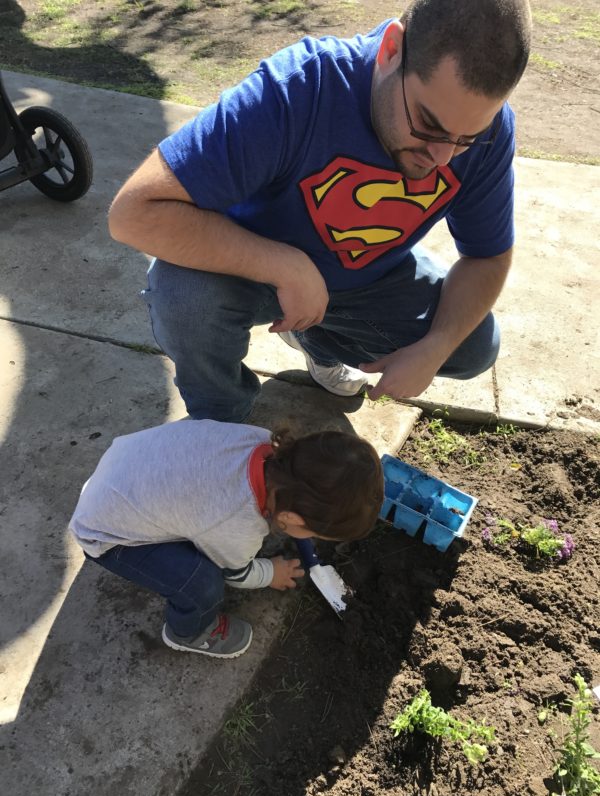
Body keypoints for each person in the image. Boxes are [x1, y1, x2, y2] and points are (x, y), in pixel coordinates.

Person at [108, 0, 532, 423]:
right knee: (186, 299)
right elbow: (134, 213)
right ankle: (220, 422)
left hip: (368, 278)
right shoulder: (298, 89)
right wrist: (285, 266)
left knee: (473, 345)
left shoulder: (491, 133)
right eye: (428, 124)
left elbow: (488, 256)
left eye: (467, 138)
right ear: (391, 51)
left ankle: (317, 342)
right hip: (248, 274)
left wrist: (435, 346)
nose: (442, 157)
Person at [69, 421, 384, 658]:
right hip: (107, 535)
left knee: (202, 531)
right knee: (203, 583)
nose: (312, 538)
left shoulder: (262, 443)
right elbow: (237, 574)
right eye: (313, 533)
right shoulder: (235, 520)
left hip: (122, 469)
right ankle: (187, 633)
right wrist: (270, 573)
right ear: (290, 518)